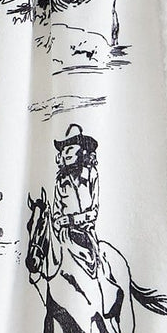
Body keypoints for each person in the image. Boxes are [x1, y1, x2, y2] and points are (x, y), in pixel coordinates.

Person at [53, 125, 110, 313]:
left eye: (70, 148)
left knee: (96, 269)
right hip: (64, 236)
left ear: (82, 150)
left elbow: (93, 213)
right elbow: (56, 210)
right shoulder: (60, 180)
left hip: (85, 234)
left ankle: (102, 306)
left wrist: (71, 219)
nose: (66, 153)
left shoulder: (91, 175)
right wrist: (58, 222)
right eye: (63, 149)